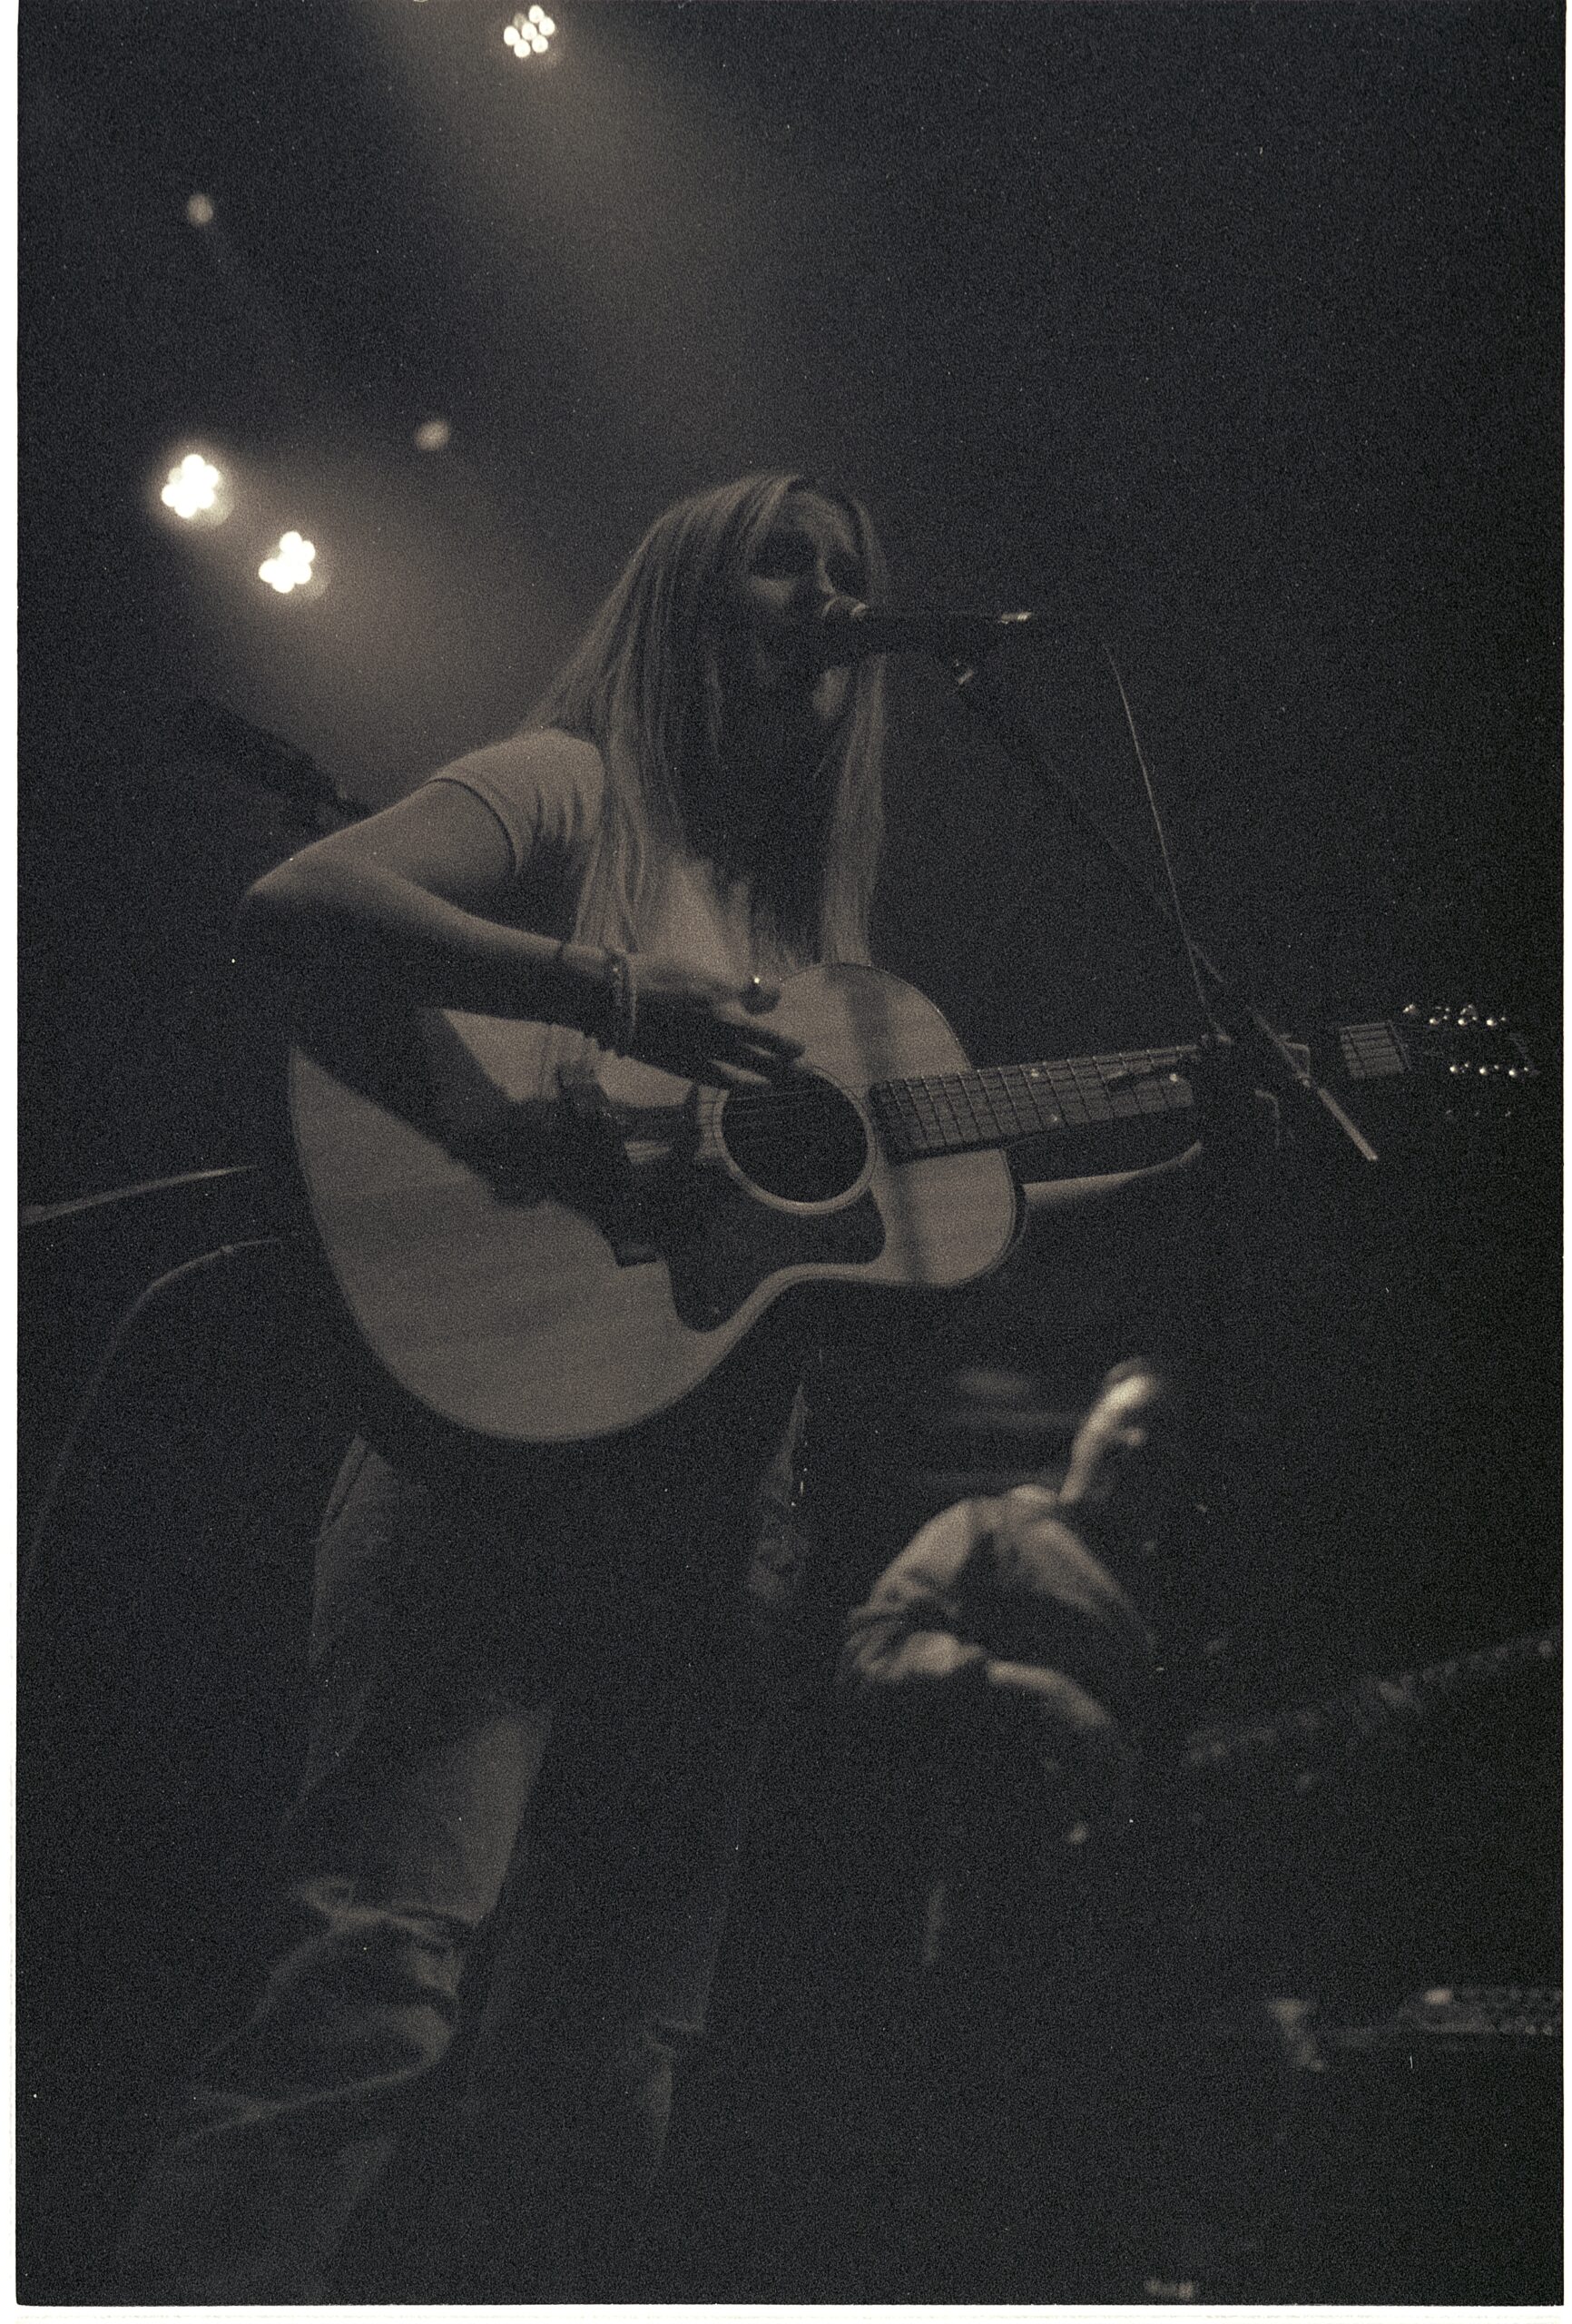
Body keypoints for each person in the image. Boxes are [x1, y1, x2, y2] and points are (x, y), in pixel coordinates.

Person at [114, 470, 1205, 2303]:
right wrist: (610, 1001)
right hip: (493, 1480)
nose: (821, 593)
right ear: (681, 599)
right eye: (779, 557)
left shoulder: (829, 960)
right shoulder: (570, 795)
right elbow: (303, 902)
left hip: (717, 1525)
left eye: (849, 567)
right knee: (373, 1992)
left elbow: (936, 1197)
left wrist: (1186, 1121)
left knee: (609, 2062)